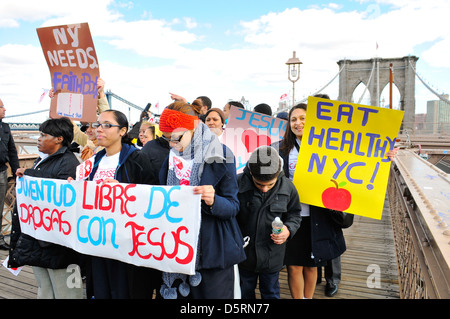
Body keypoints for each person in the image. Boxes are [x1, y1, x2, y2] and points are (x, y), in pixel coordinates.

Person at [158, 101, 246, 299]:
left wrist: (213, 200)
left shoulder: (221, 154)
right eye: (167, 139)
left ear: (194, 126)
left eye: (177, 138)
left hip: (212, 250)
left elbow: (233, 206)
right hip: (177, 247)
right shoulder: (171, 158)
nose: (172, 145)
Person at [81, 109, 157, 299]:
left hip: (127, 247)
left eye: (107, 125)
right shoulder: (95, 161)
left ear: (122, 131)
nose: (99, 129)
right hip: (98, 242)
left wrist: (125, 190)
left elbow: (153, 198)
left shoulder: (138, 159)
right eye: (98, 125)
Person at [277, 103, 347, 299]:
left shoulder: (328, 148)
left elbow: (358, 162)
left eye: (302, 118)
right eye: (293, 119)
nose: (298, 123)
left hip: (318, 215)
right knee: (293, 266)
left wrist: (384, 156)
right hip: (291, 216)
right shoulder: (281, 149)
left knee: (312, 265)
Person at [8, 117, 82, 299]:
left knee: (67, 293)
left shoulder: (69, 163)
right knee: (45, 290)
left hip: (58, 247)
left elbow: (60, 194)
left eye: (43, 135)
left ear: (59, 139)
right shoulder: (44, 161)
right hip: (39, 242)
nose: (39, 139)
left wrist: (31, 174)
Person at [236, 146, 301, 299]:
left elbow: (295, 215)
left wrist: (289, 229)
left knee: (271, 293)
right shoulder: (237, 183)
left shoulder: (288, 187)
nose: (264, 189)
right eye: (259, 184)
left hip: (272, 257)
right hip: (244, 256)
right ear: (251, 173)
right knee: (244, 294)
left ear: (278, 174)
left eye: (270, 185)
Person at [0, 98, 20, 250]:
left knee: (0, 207)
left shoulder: (5, 127)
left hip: (1, 172)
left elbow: (12, 151)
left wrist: (16, 171)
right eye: (2, 107)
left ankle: (0, 239)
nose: (5, 109)